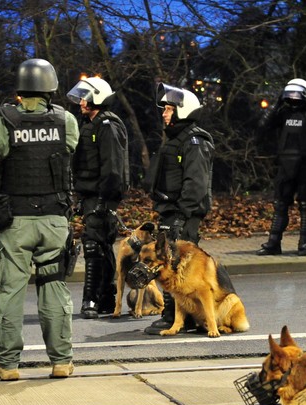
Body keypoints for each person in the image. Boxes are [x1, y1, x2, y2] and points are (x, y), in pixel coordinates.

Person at [0, 58, 79, 380]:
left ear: (19, 89)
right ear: (50, 88)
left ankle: (8, 365)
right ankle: (60, 362)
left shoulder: (0, 125)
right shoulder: (67, 122)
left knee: (10, 292)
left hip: (13, 222)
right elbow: (67, 157)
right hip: (55, 220)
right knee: (54, 288)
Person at [143, 83, 214, 335]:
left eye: (170, 109)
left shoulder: (194, 141)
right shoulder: (176, 139)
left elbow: (195, 184)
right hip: (171, 211)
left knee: (177, 266)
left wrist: (182, 216)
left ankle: (177, 318)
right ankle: (176, 316)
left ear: (183, 111)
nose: (164, 114)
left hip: (183, 214)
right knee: (169, 264)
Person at [67, 77, 129, 319]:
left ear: (98, 98)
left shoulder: (107, 125)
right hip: (92, 195)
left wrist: (105, 201)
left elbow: (113, 168)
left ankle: (91, 300)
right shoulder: (90, 124)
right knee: (101, 246)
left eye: (86, 97)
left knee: (93, 245)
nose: (81, 101)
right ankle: (106, 297)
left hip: (102, 196)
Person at [256, 78, 306, 256]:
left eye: (298, 95)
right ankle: (273, 243)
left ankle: (304, 244)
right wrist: (277, 103)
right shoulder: (283, 112)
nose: (294, 99)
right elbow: (264, 125)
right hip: (285, 164)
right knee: (280, 205)